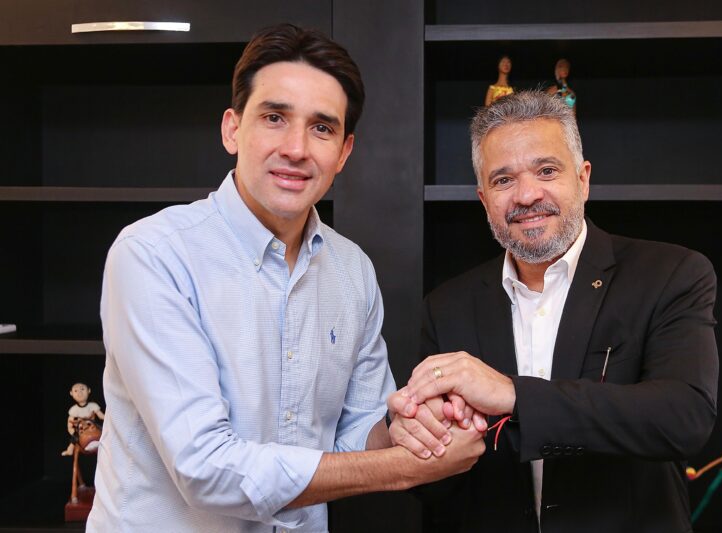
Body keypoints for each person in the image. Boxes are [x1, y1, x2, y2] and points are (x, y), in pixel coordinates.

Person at [88, 24, 485, 532]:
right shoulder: (154, 255)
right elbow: (205, 469)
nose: (296, 148)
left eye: (321, 128)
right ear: (232, 130)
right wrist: (405, 468)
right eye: (274, 118)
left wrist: (411, 429)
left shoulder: (352, 270)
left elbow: (357, 431)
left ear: (344, 152)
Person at [389, 90, 719, 532]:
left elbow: (684, 418)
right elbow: (434, 489)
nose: (527, 195)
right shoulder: (446, 307)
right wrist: (417, 434)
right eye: (503, 180)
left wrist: (514, 395)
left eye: (546, 170)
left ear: (583, 179)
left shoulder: (669, 274)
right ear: (484, 199)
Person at [61, 382, 104, 456]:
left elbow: (101, 416)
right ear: (71, 393)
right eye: (76, 391)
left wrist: (109, 418)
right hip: (81, 428)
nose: (79, 392)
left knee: (103, 429)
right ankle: (70, 450)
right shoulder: (73, 410)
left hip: (92, 425)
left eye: (82, 389)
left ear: (89, 390)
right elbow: (70, 424)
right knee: (74, 438)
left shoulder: (93, 405)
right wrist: (73, 432)